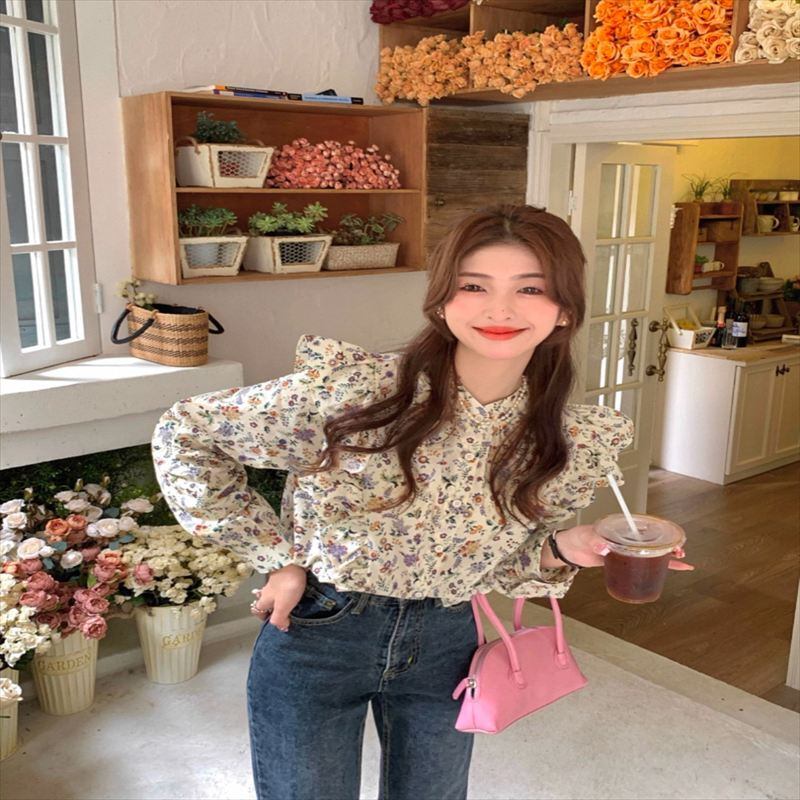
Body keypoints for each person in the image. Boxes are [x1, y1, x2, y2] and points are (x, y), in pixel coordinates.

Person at [152, 204, 691, 800]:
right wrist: (276, 557)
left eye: (530, 288)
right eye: (474, 286)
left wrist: (569, 546)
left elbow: (496, 565)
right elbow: (186, 431)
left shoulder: (557, 435)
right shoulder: (357, 393)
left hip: (448, 639)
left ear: (564, 309)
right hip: (320, 630)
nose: (500, 310)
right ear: (441, 301)